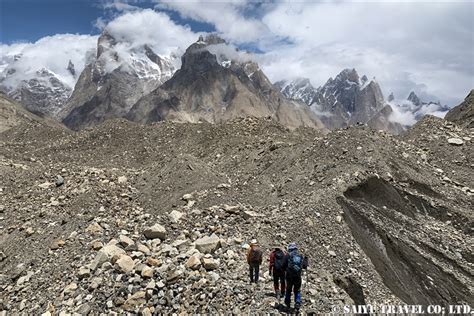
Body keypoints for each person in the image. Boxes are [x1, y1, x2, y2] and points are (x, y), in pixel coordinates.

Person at [284, 242, 308, 311]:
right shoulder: (300, 256)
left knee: (288, 289)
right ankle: (297, 302)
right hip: (297, 276)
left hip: (289, 276)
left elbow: (283, 265)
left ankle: (287, 302)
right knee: (297, 290)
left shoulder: (287, 255)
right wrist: (306, 259)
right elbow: (304, 266)